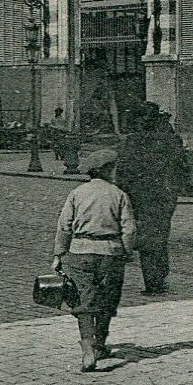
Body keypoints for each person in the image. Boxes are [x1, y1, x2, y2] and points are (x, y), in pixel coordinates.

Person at [53, 149, 138, 372]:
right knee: (108, 299)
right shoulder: (119, 194)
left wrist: (58, 255)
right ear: (108, 170)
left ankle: (88, 348)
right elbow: (129, 229)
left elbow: (64, 226)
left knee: (84, 300)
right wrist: (126, 252)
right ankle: (100, 344)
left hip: (80, 252)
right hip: (111, 253)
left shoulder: (77, 193)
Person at [114, 103, 187, 296]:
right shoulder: (170, 140)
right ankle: (156, 280)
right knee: (158, 237)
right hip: (162, 195)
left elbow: (121, 171)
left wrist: (123, 191)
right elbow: (182, 167)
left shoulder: (131, 142)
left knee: (143, 235)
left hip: (136, 195)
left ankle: (152, 280)